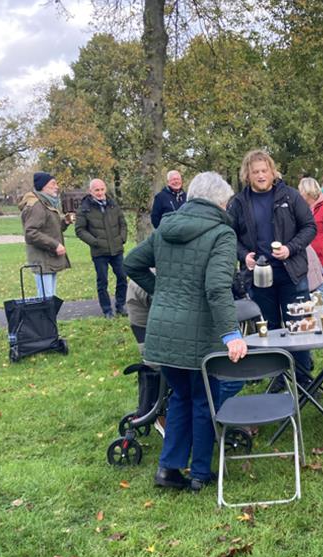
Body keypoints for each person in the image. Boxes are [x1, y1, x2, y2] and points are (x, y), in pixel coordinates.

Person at [124, 171, 248, 492]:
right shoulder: (222, 233)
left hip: (162, 328)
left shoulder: (165, 227)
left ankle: (169, 469)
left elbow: (131, 263)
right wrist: (231, 334)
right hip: (200, 332)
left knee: (180, 396)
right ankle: (200, 473)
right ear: (219, 202)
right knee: (204, 399)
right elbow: (217, 288)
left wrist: (162, 291)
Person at [227, 150, 316, 382]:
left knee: (299, 326)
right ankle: (278, 378)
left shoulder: (290, 196)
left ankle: (303, 379)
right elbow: (228, 235)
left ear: (272, 171)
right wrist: (244, 255)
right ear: (247, 175)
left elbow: (309, 227)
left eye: (264, 171)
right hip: (258, 276)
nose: (260, 175)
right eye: (255, 172)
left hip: (292, 272)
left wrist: (290, 248)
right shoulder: (238, 203)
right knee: (269, 328)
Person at [75, 179, 128, 318]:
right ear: (90, 191)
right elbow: (80, 230)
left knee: (122, 277)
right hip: (99, 252)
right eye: (96, 190)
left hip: (116, 249)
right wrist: (94, 242)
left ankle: (120, 306)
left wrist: (122, 238)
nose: (99, 193)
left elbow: (123, 224)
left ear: (105, 189)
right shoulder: (84, 209)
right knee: (102, 281)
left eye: (102, 189)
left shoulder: (113, 205)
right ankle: (107, 310)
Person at [19, 172, 73, 298]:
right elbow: (31, 233)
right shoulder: (37, 206)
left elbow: (50, 229)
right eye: (53, 184)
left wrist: (65, 222)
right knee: (46, 298)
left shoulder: (47, 203)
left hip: (49, 258)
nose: (56, 187)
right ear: (43, 186)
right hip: (42, 260)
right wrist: (55, 245)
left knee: (49, 298)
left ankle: (49, 312)